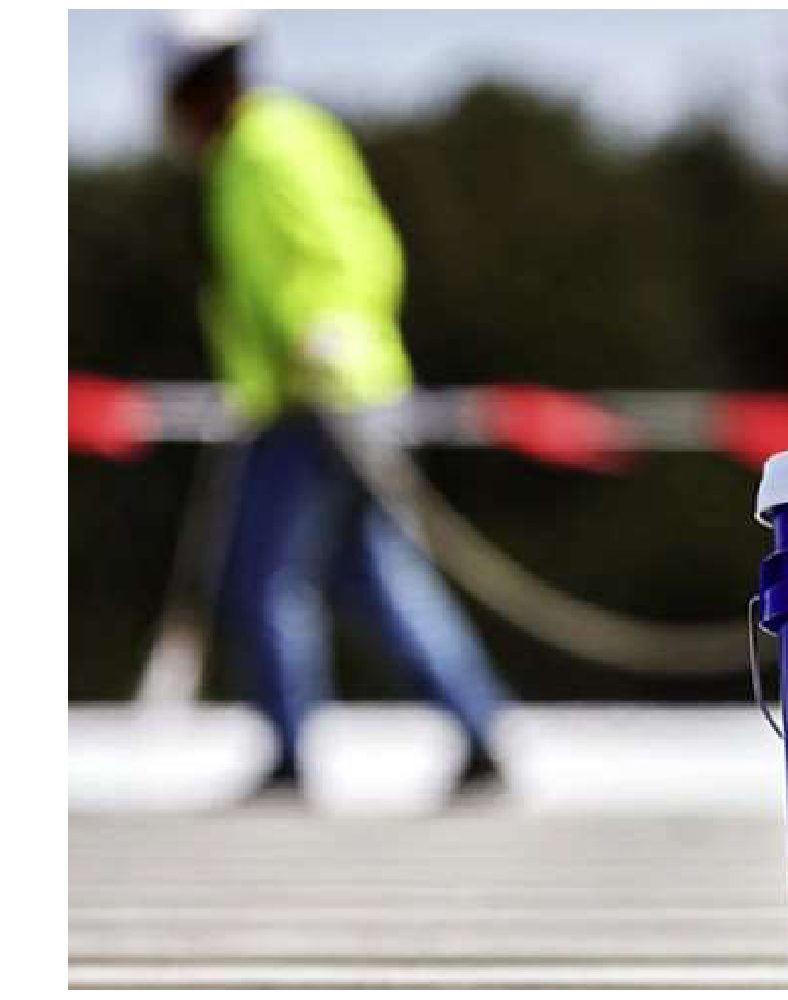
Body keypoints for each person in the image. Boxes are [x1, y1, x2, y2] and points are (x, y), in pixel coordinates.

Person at [157, 11, 506, 798]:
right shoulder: (281, 140)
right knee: (377, 577)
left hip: (318, 398)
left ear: (196, 88)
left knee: (265, 577)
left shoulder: (265, 149)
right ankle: (480, 727)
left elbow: (344, 252)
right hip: (336, 392)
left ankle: (287, 749)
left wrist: (319, 337)